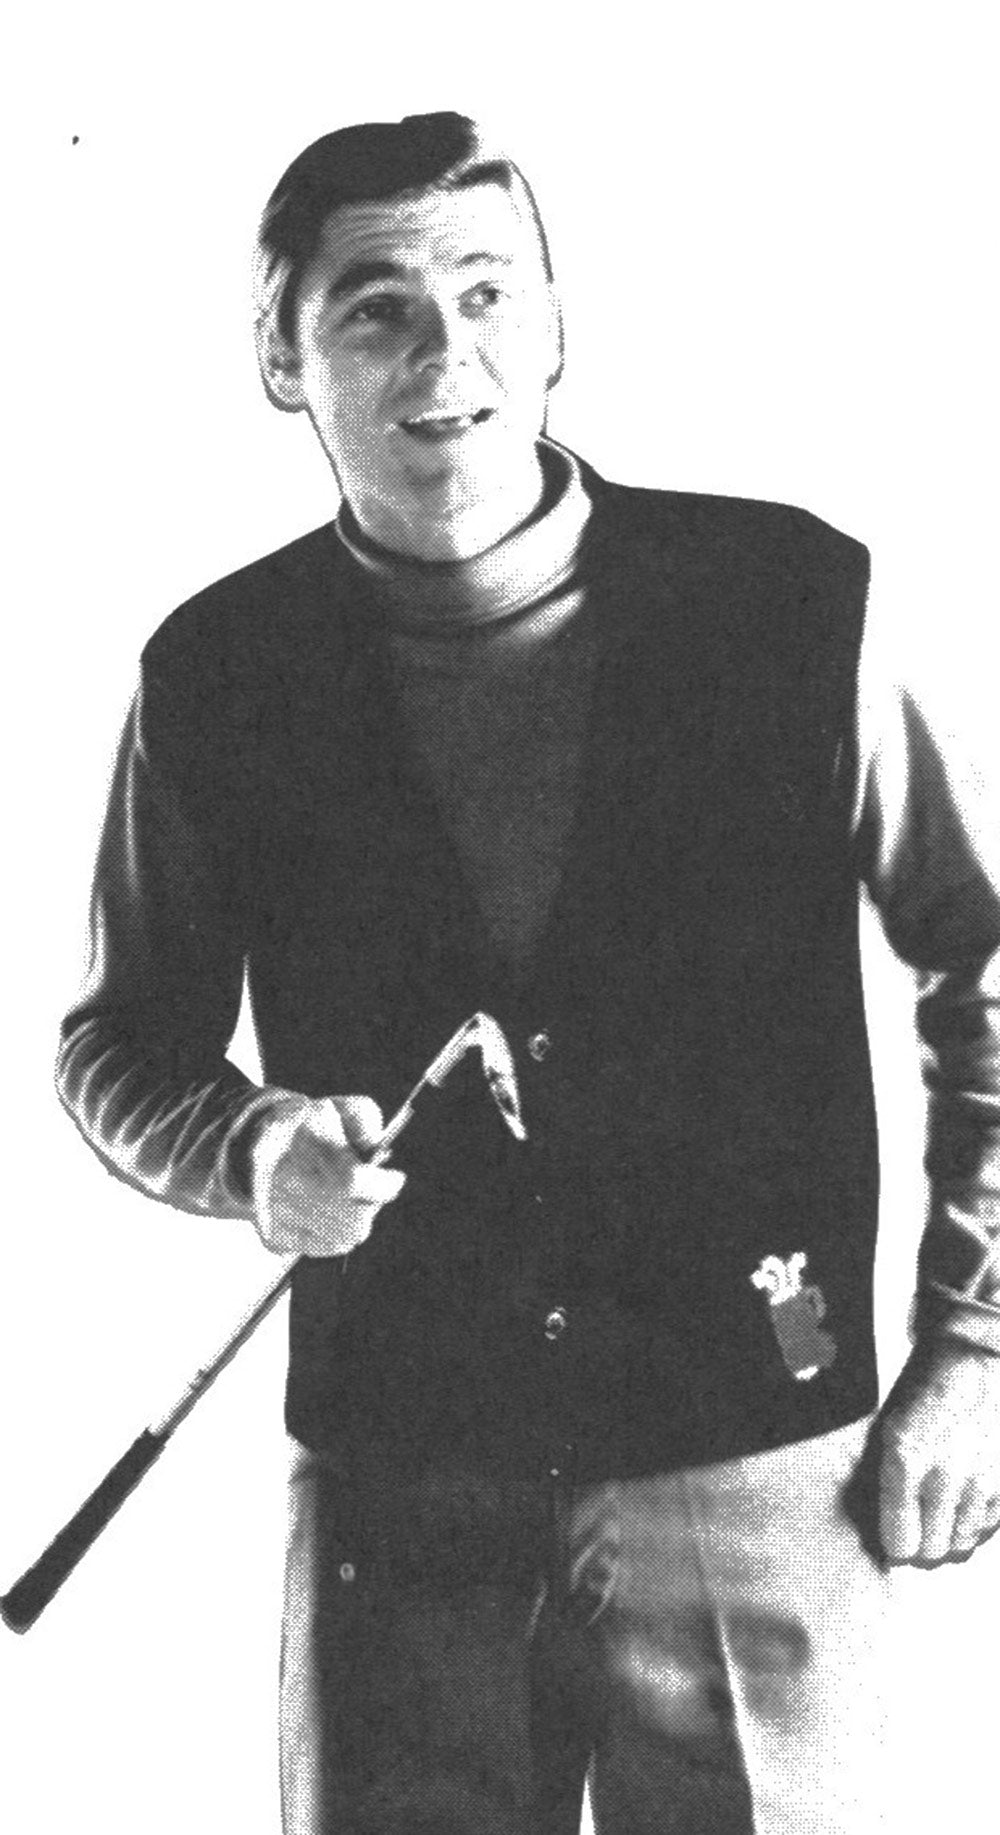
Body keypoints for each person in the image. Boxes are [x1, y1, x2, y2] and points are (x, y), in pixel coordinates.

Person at [56, 111, 1000, 1833]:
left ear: (562, 322)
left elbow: (989, 957)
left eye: (490, 294)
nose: (448, 356)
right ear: (279, 355)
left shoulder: (799, 602)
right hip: (398, 1494)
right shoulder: (212, 674)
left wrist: (978, 1346)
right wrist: (253, 1150)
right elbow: (116, 1043)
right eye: (377, 309)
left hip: (758, 1454)